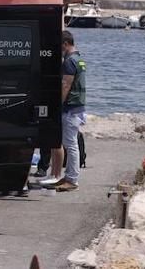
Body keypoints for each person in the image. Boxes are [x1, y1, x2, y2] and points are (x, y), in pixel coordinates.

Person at [46, 30, 87, 192]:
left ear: (65, 44)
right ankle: (68, 177)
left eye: (59, 46)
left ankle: (72, 179)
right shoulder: (79, 59)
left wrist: (57, 106)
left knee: (70, 144)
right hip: (78, 106)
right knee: (70, 142)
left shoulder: (69, 61)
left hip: (70, 107)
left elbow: (66, 85)